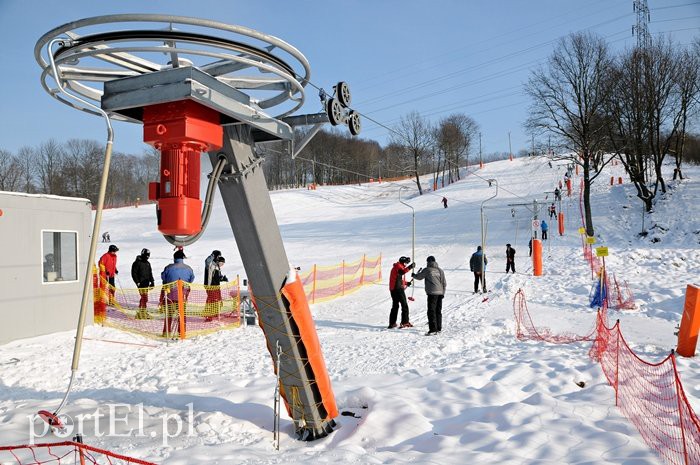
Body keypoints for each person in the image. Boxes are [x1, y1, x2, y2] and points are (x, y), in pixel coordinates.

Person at [161, 250, 195, 336]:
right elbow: (191, 279)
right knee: (182, 315)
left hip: (170, 295)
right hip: (182, 295)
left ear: (174, 258)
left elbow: (163, 277)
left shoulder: (168, 267)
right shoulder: (189, 268)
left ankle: (166, 332)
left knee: (169, 314)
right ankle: (182, 332)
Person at [411, 256, 446, 336]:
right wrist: (442, 293)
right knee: (438, 311)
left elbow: (420, 277)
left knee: (431, 311)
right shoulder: (440, 270)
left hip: (432, 293)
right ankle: (438, 328)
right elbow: (444, 283)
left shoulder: (427, 269)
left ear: (428, 262)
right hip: (440, 293)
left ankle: (433, 329)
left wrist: (414, 275)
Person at [388, 256, 415, 329]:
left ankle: (392, 323)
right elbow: (402, 272)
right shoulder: (398, 266)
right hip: (398, 289)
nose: (406, 264)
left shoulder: (396, 267)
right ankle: (404, 322)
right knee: (404, 305)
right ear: (403, 262)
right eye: (406, 263)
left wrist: (406, 283)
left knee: (395, 306)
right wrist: (410, 267)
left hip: (393, 289)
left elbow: (398, 279)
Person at [131, 248, 155, 319]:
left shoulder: (147, 263)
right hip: (141, 283)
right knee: (144, 298)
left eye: (148, 255)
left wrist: (152, 281)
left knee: (144, 298)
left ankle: (142, 311)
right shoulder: (137, 263)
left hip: (146, 283)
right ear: (142, 254)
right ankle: (141, 312)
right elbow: (134, 273)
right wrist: (137, 282)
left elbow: (150, 273)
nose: (147, 257)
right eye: (146, 255)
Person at [205, 256, 228, 321]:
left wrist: (223, 278)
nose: (222, 264)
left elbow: (217, 278)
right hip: (212, 287)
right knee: (212, 301)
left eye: (223, 263)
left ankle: (215, 313)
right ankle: (209, 316)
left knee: (218, 300)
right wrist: (209, 287)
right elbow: (210, 277)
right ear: (218, 262)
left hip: (217, 287)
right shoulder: (213, 267)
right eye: (222, 263)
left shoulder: (218, 268)